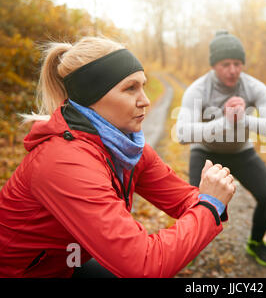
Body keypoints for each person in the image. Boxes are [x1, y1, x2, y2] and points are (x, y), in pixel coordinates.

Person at [0, 36, 236, 278]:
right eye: (130, 88)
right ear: (92, 96)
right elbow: (144, 265)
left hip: (66, 265)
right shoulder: (63, 163)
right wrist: (209, 205)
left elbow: (183, 199)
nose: (145, 100)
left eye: (143, 86)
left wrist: (211, 195)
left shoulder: (127, 146)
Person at [176, 31, 266, 267]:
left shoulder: (254, 87)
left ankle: (256, 243)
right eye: (226, 64)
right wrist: (225, 122)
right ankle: (186, 249)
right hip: (206, 153)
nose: (233, 70)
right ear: (214, 65)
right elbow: (182, 133)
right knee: (193, 204)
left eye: (237, 64)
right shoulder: (198, 90)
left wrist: (243, 120)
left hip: (241, 152)